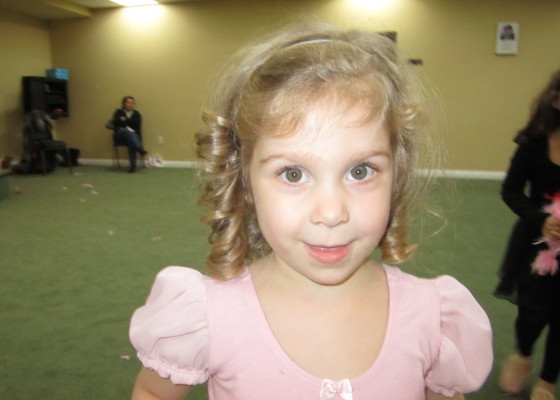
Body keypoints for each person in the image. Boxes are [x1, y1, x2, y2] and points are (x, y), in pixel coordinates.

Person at [129, 22, 493, 400]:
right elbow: (153, 392)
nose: (331, 213)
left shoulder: (432, 318)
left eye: (360, 171)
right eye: (293, 174)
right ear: (244, 182)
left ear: (396, 175)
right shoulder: (207, 317)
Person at [496, 69, 560, 400]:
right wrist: (540, 219)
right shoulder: (534, 143)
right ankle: (522, 353)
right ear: (556, 100)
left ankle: (548, 380)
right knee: (532, 312)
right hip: (536, 244)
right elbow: (510, 191)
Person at [112, 96, 147, 173]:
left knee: (131, 140)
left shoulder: (137, 114)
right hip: (120, 135)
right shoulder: (119, 112)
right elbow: (116, 122)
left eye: (132, 103)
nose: (130, 104)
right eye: (128, 102)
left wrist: (125, 120)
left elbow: (137, 124)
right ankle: (139, 148)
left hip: (133, 136)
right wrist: (129, 122)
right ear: (124, 103)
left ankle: (132, 166)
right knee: (126, 131)